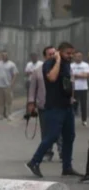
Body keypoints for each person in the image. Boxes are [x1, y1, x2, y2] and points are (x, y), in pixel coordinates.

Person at [27, 42, 83, 178]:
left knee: (69, 136)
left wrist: (72, 98)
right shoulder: (51, 63)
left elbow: (68, 82)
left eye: (72, 53)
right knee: (51, 136)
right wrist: (57, 60)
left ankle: (67, 167)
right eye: (67, 53)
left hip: (67, 106)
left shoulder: (67, 64)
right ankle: (34, 161)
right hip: (54, 107)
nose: (70, 56)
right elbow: (52, 78)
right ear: (59, 52)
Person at [28, 46, 63, 162]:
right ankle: (47, 152)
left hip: (60, 105)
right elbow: (32, 89)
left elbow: (70, 84)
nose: (52, 56)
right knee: (46, 131)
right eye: (50, 54)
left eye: (54, 53)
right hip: (44, 105)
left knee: (60, 130)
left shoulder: (62, 68)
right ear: (45, 56)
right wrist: (31, 103)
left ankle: (62, 152)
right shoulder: (38, 71)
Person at [0, 51, 18, 120]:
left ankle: (9, 114)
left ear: (7, 56)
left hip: (7, 86)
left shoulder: (11, 64)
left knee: (8, 101)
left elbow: (15, 74)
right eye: (3, 55)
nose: (4, 56)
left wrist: (12, 83)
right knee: (0, 102)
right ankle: (0, 115)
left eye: (5, 55)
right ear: (1, 56)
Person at [71, 51, 89, 126]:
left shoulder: (86, 65)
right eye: (77, 56)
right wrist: (81, 75)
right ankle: (71, 120)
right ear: (74, 57)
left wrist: (76, 75)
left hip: (83, 88)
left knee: (83, 105)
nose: (78, 57)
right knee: (73, 104)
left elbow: (86, 75)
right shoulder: (71, 65)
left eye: (80, 56)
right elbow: (70, 76)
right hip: (73, 88)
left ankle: (84, 120)